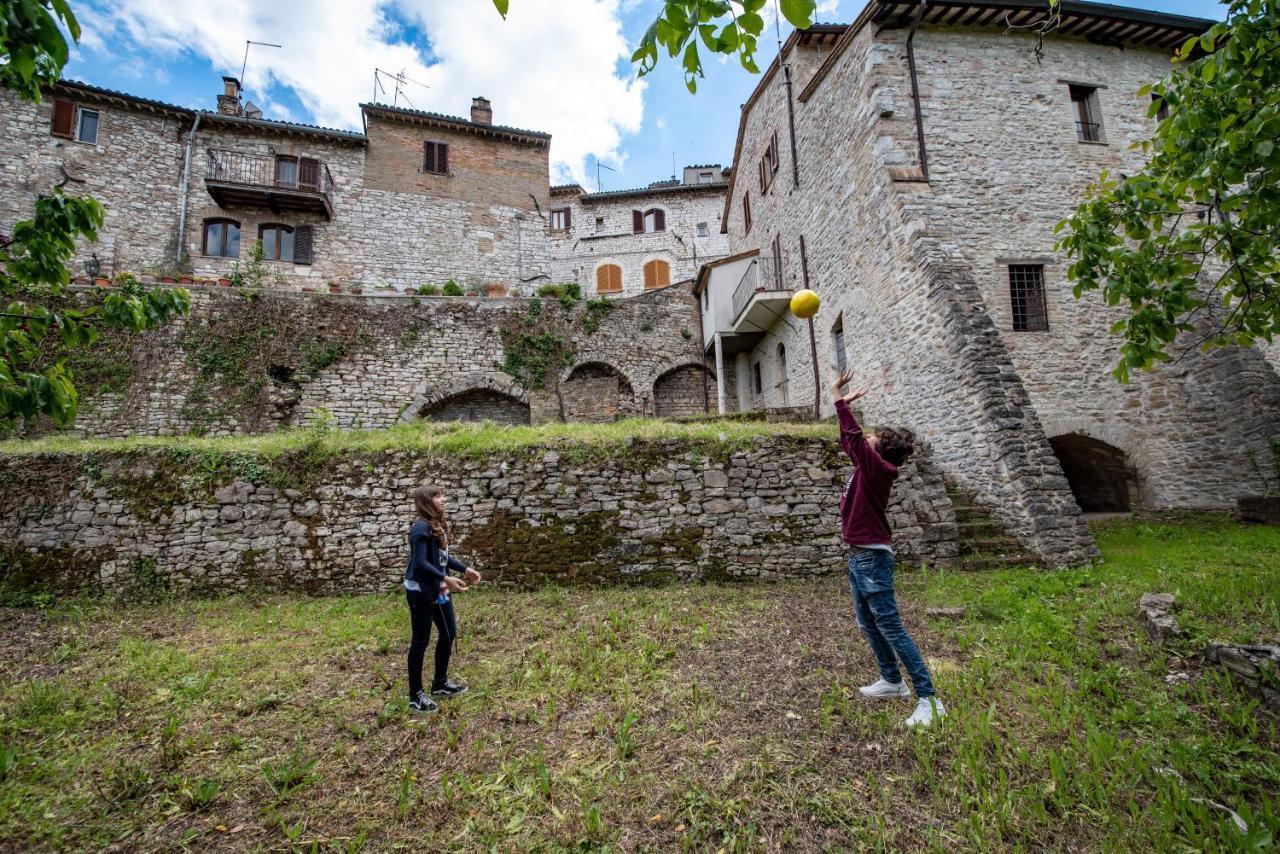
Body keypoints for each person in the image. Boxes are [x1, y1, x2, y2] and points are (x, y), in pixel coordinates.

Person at [832, 369, 945, 728]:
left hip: (872, 558)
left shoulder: (879, 469)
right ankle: (893, 682)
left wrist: (838, 398)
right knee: (867, 622)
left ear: (880, 450)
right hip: (860, 557)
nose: (866, 437)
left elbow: (852, 436)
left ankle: (929, 698)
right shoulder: (869, 466)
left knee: (892, 627)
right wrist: (841, 406)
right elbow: (851, 441)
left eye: (874, 437)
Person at [405, 483, 481, 713]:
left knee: (448, 634)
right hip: (421, 591)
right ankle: (415, 695)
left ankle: (439, 684)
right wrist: (446, 580)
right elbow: (420, 563)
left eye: (442, 495)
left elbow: (440, 558)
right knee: (421, 641)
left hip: (438, 590)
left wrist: (465, 569)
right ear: (426, 502)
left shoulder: (435, 526)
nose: (443, 499)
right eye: (437, 496)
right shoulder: (420, 528)